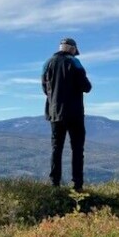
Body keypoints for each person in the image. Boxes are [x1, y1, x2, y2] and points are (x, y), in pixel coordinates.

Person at [42, 37, 92, 192]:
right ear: (71, 49)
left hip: (55, 112)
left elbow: (44, 88)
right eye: (75, 51)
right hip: (74, 113)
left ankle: (54, 184)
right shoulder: (74, 62)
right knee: (77, 149)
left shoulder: (47, 63)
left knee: (56, 148)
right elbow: (86, 87)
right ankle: (77, 185)